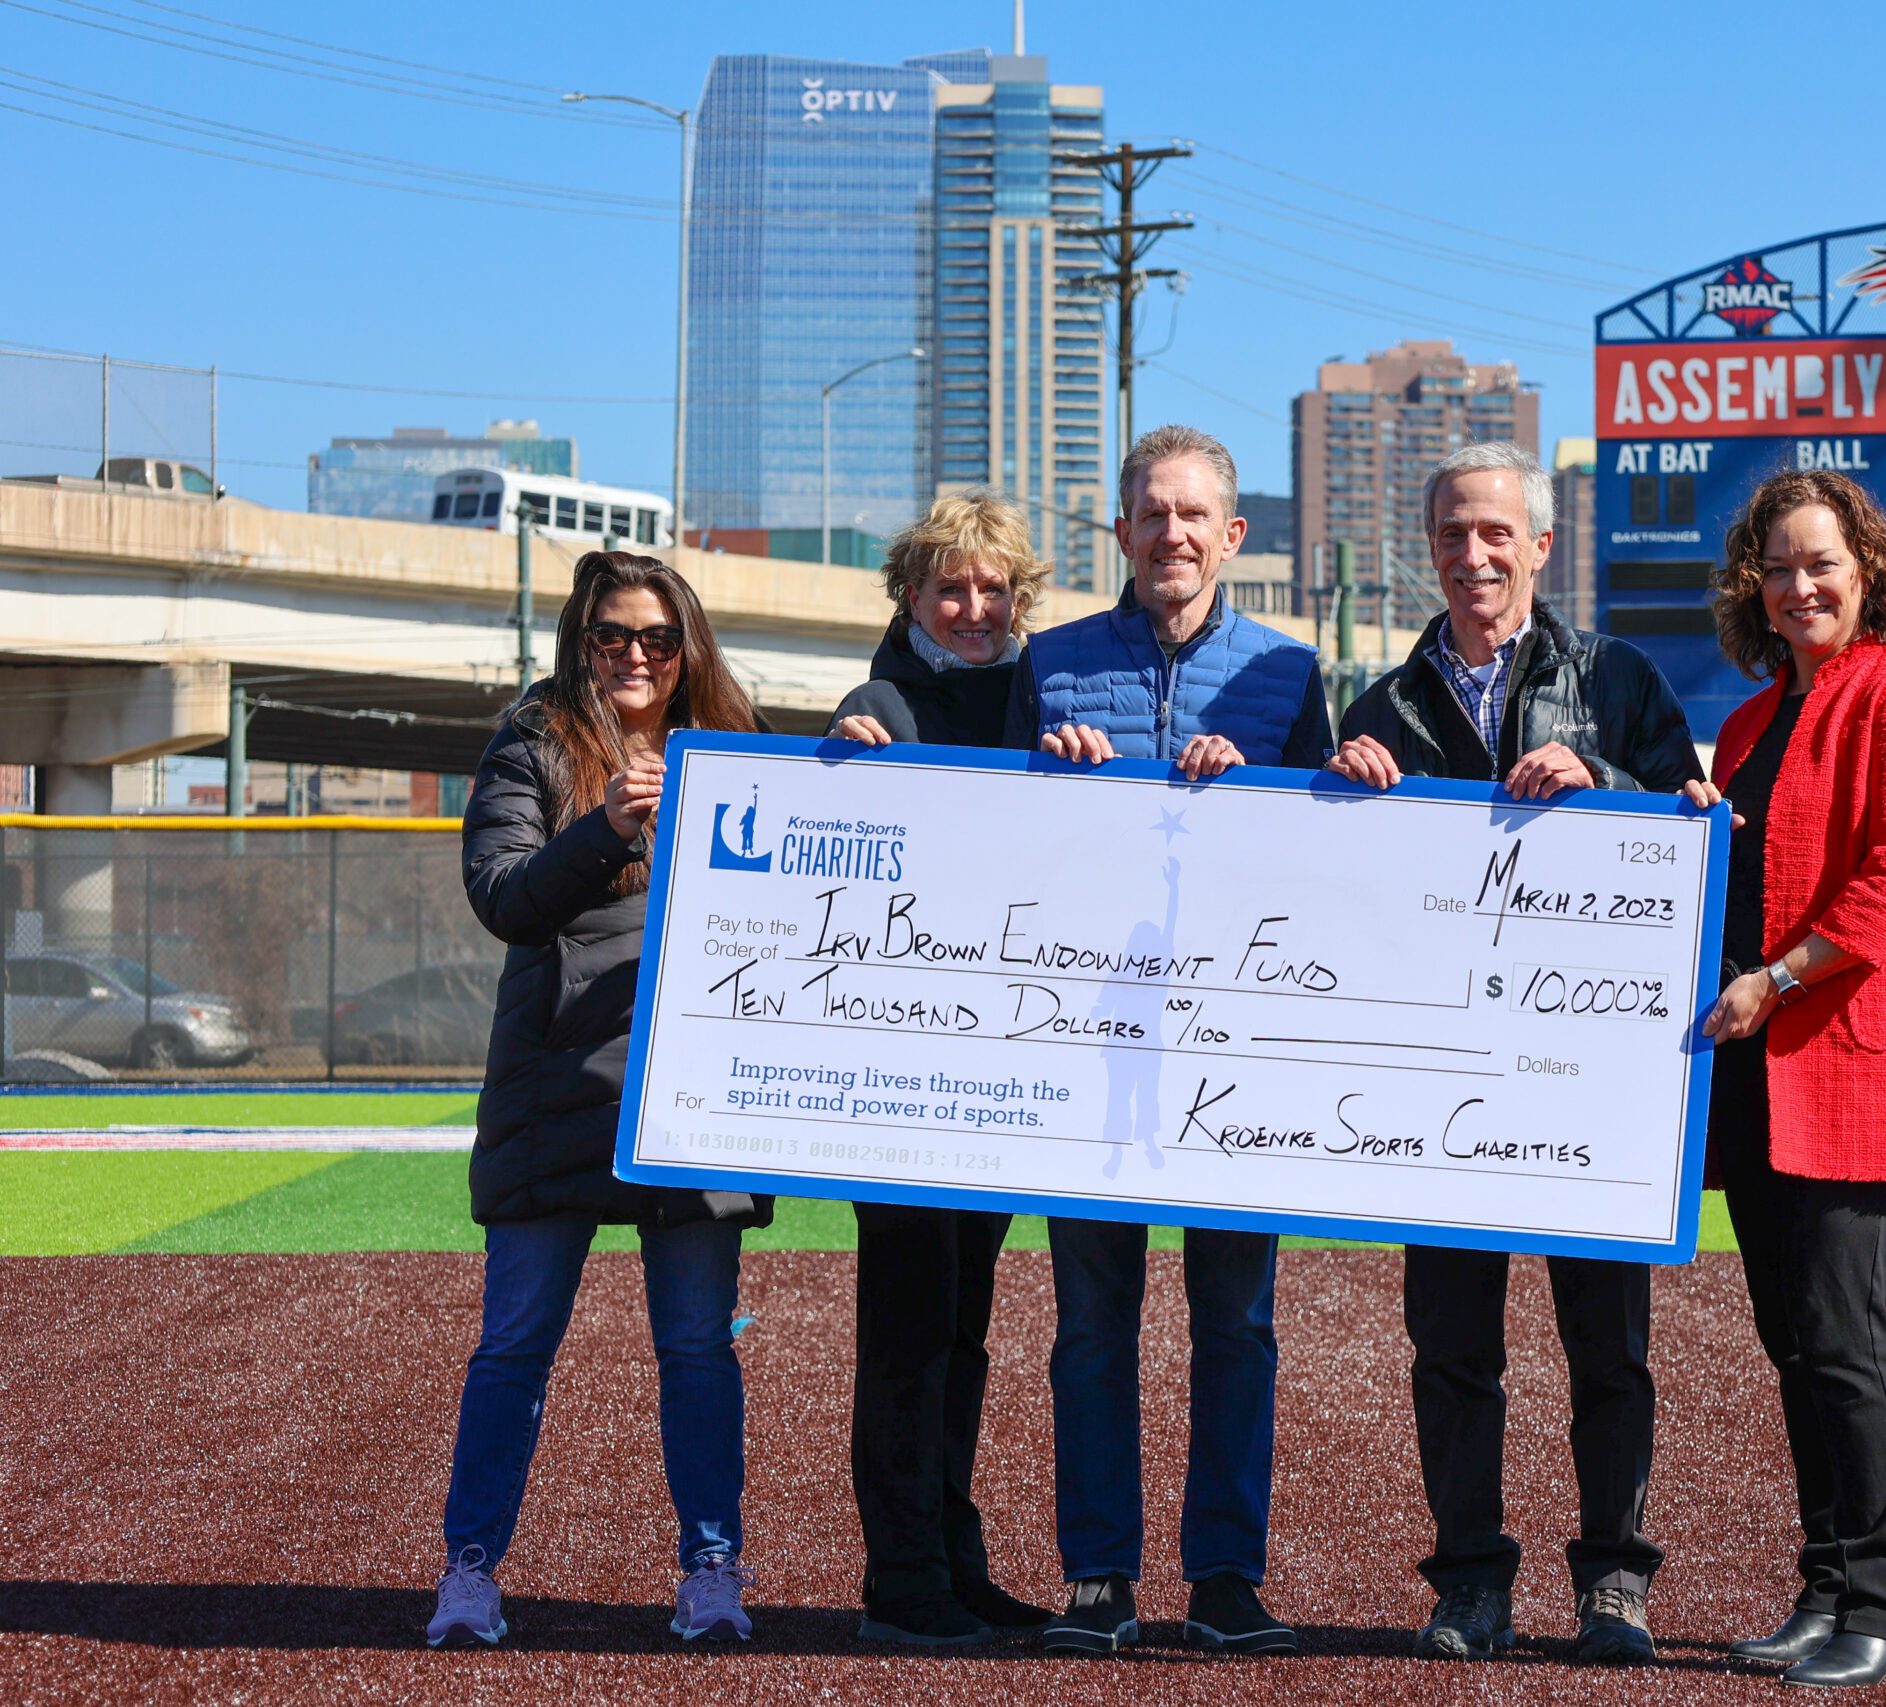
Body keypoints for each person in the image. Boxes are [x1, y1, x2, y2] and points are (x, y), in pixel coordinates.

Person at [1325, 440, 1706, 1666]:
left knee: (1609, 1349)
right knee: (1451, 1351)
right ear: (1426, 550)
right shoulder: (1379, 706)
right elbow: (1335, 904)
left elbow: (1692, 824)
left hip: (1587, 1084)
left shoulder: (1621, 678)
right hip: (1434, 1087)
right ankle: (1470, 1581)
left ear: (1542, 545)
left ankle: (1613, 1584)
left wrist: (1601, 776)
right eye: (1451, 535)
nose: (1473, 554)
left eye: (1496, 533)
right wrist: (1342, 789)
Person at [1003, 423, 1332, 1658]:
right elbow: (983, 838)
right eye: (1151, 513)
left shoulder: (1290, 675)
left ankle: (1226, 1576)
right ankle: (1096, 1574)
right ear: (1122, 533)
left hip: (1226, 1058)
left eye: (1194, 514)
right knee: (1091, 1326)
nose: (1172, 533)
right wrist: (1044, 770)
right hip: (1085, 1052)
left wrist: (1308, 775)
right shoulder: (1050, 661)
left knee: (1235, 1326)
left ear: (1232, 536)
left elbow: (1335, 859)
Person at [428, 550, 772, 1650]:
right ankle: (470, 1569)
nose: (635, 656)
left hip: (694, 1093)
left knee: (699, 1350)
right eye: (612, 636)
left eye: (657, 639)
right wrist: (609, 825)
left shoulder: (739, 746)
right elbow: (502, 898)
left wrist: (854, 749)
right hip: (555, 1086)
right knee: (516, 1343)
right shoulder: (533, 740)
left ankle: (711, 1569)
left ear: (688, 649)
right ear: (581, 641)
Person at [1696, 468, 1886, 1688]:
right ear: (1752, 587)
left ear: (1867, 573)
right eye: (1778, 567)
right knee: (1794, 1340)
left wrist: (1776, 978)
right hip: (1762, 1075)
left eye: (1821, 563)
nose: (1799, 585)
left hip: (1853, 1067)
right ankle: (1826, 1587)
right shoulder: (1752, 722)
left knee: (1844, 1337)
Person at [823, 493, 1055, 1645]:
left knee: (964, 1325)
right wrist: (842, 756)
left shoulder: (1040, 696)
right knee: (909, 1330)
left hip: (1006, 1070)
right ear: (909, 599)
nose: (973, 609)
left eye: (993, 590)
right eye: (949, 590)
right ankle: (901, 1578)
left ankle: (953, 1558)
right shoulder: (880, 705)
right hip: (903, 1080)